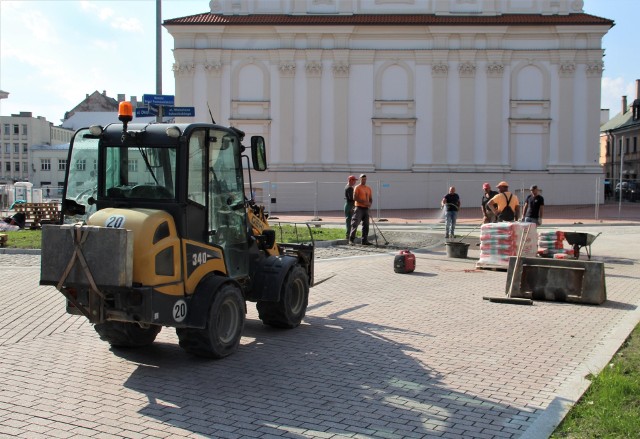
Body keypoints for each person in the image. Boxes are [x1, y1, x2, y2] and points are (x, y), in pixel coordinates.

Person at [349, 174, 373, 245]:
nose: (364, 180)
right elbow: (355, 198)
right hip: (359, 208)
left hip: (366, 209)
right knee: (355, 223)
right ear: (360, 179)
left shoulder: (368, 188)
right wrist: (364, 202)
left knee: (366, 225)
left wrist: (369, 204)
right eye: (362, 179)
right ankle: (351, 239)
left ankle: (364, 240)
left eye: (365, 179)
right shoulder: (357, 187)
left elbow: (371, 198)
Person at [344, 175, 357, 239]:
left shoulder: (349, 187)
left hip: (349, 205)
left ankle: (350, 234)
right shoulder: (349, 188)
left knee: (350, 221)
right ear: (350, 180)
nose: (355, 182)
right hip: (349, 205)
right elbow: (351, 198)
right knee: (349, 221)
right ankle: (348, 235)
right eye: (354, 180)